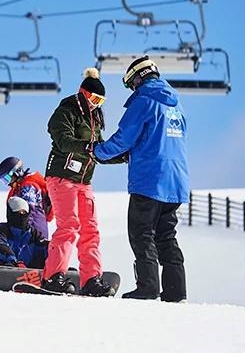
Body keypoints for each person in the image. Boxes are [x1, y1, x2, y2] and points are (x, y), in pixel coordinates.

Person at [94, 56, 189, 302]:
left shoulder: (144, 100)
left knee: (141, 233)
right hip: (176, 180)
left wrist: (97, 151)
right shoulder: (176, 105)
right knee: (166, 236)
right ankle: (176, 292)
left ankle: (147, 287)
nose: (132, 88)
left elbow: (125, 137)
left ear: (138, 76)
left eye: (130, 83)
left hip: (149, 179)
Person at [41, 67, 120, 297]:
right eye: (94, 98)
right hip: (61, 177)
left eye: (101, 100)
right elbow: (64, 140)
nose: (97, 103)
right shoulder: (67, 110)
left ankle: (91, 279)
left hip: (84, 182)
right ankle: (52, 276)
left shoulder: (94, 118)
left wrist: (121, 156)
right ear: (84, 93)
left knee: (90, 231)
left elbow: (100, 151)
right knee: (69, 226)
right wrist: (86, 147)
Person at [0, 197, 49, 269]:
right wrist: (12, 259)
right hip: (2, 268)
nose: (21, 215)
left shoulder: (34, 234)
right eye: (18, 212)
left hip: (28, 271)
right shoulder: (3, 230)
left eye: (24, 212)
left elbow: (47, 247)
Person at [0, 156, 53, 239]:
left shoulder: (28, 187)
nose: (8, 183)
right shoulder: (20, 188)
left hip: (33, 234)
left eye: (7, 178)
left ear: (16, 172)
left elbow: (31, 212)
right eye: (4, 181)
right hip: (35, 233)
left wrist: (26, 233)